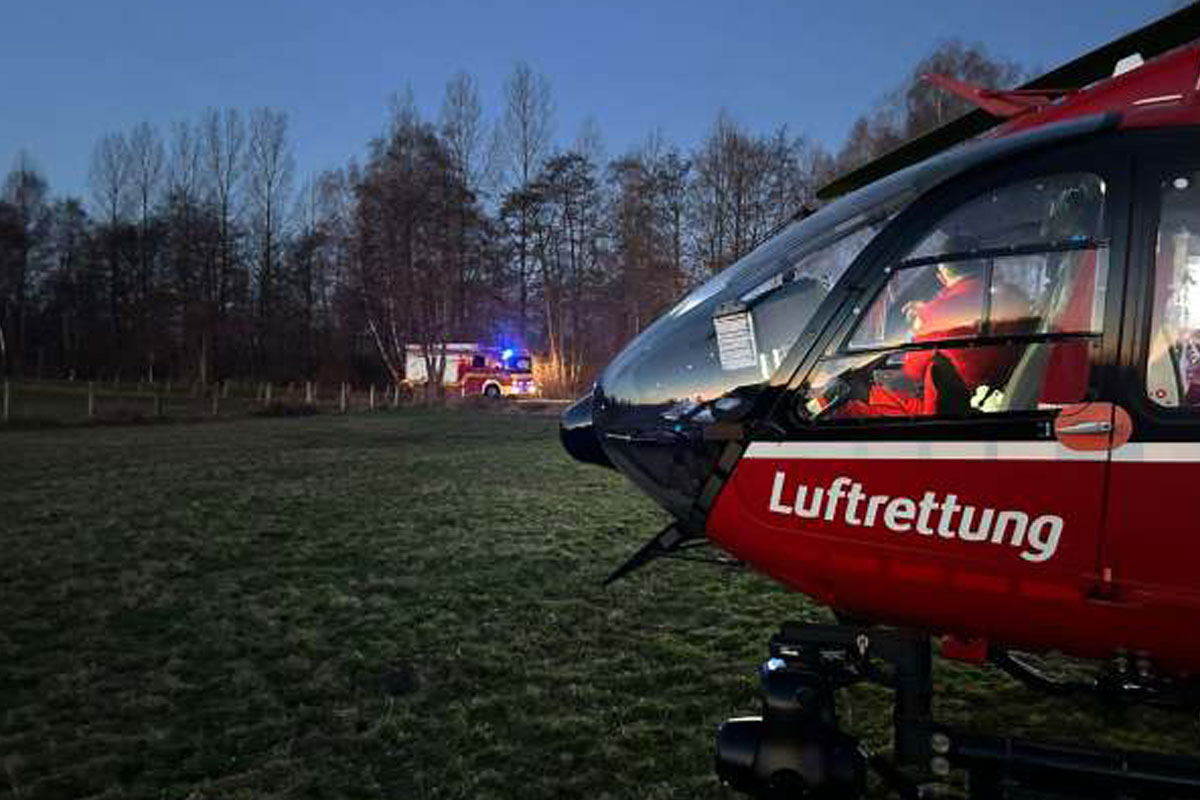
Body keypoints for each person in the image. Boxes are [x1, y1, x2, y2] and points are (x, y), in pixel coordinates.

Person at [836, 250, 1031, 418]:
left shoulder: (936, 312)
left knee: (857, 404)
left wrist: (921, 321)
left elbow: (913, 370)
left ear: (941, 275)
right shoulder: (1014, 294)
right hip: (996, 390)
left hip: (949, 410)